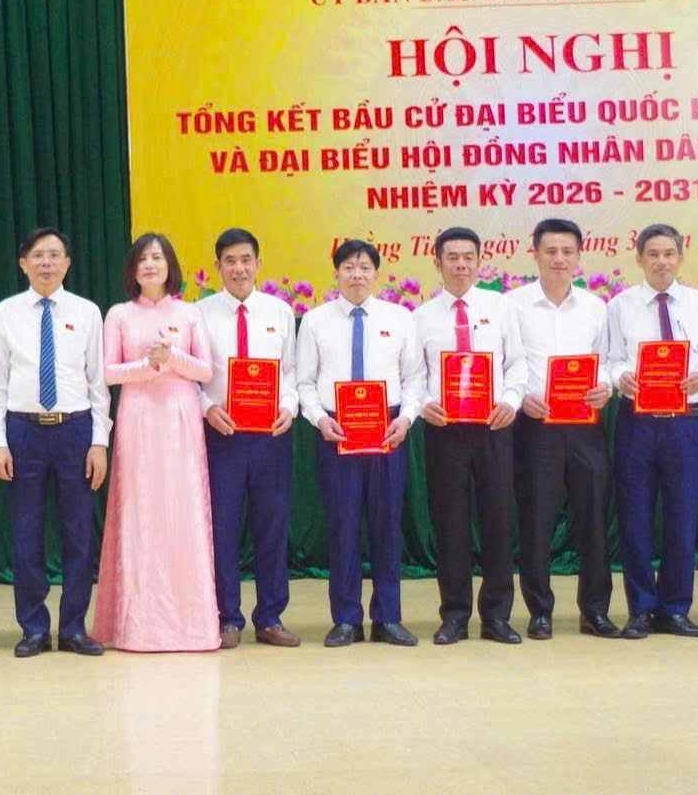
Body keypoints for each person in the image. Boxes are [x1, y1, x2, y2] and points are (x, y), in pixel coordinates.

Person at [0, 227, 112, 658]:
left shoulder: (87, 312)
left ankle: (73, 627)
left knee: (79, 534)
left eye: (55, 255)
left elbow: (98, 384)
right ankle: (34, 628)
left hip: (75, 430)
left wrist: (99, 442)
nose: (46, 262)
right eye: (38, 255)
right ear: (23, 263)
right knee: (26, 534)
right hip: (23, 432)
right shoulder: (5, 313)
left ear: (67, 263)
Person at [292, 238, 423, 648]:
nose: (357, 275)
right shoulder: (315, 321)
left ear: (377, 274)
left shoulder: (400, 318)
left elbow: (415, 378)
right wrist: (319, 419)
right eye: (348, 267)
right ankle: (346, 618)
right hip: (337, 431)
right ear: (335, 274)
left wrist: (406, 419)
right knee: (343, 526)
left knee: (387, 526)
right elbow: (304, 382)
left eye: (365, 267)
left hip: (388, 430)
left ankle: (388, 617)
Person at [92, 232, 219, 652]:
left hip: (180, 419)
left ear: (170, 267)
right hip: (138, 418)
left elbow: (205, 371)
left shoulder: (189, 313)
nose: (150, 265)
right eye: (143, 258)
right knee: (140, 510)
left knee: (183, 510)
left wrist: (172, 358)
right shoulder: (119, 314)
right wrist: (147, 366)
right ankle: (138, 626)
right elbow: (108, 373)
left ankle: (191, 625)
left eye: (158, 258)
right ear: (133, 268)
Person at [602, 225, 698, 639]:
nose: (661, 261)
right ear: (639, 258)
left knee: (682, 517)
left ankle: (674, 609)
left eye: (669, 253)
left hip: (685, 423)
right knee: (634, 517)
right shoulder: (619, 306)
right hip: (636, 422)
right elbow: (610, 359)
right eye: (653, 254)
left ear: (680, 258)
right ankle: (640, 609)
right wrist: (621, 377)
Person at [505, 219, 619, 640]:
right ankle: (540, 611)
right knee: (537, 522)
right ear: (534, 254)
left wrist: (604, 385)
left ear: (579, 257)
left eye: (567, 251)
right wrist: (520, 398)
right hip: (535, 426)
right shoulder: (512, 306)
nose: (559, 258)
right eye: (550, 251)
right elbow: (506, 362)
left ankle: (596, 611)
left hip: (586, 426)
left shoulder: (596, 307)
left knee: (593, 520)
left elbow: (607, 359)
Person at [412, 226, 527, 646]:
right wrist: (425, 403)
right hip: (445, 430)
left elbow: (517, 363)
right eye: (452, 258)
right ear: (437, 263)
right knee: (451, 523)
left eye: (468, 257)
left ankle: (496, 616)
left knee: (498, 520)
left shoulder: (501, 307)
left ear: (480, 262)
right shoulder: (421, 316)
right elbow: (415, 374)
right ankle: (455, 615)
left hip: (494, 426)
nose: (461, 265)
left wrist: (511, 401)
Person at [192, 227, 301, 649]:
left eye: (246, 260)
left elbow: (290, 372)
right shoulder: (198, 315)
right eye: (230, 261)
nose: (239, 268)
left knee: (272, 526)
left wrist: (288, 407)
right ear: (217, 266)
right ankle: (227, 617)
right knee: (223, 528)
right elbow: (192, 377)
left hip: (270, 437)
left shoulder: (279, 312)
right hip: (221, 435)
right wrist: (207, 407)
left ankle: (270, 616)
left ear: (258, 264)